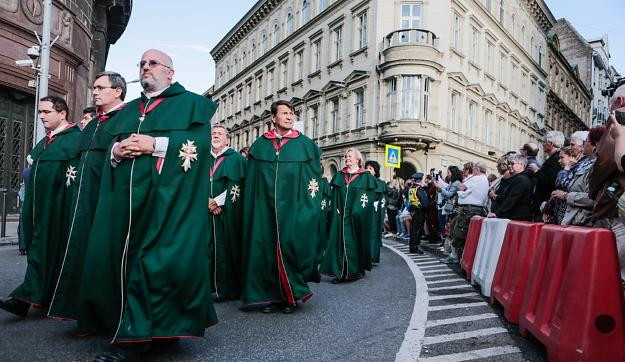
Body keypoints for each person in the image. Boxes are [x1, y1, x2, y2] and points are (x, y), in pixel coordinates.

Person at [76, 49, 219, 360]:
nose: (145, 68)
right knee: (129, 262)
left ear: (170, 72)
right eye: (141, 63)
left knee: (153, 264)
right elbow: (106, 152)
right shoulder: (129, 110)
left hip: (168, 203)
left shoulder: (191, 104)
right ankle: (151, 329)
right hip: (127, 205)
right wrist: (116, 150)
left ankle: (136, 341)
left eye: (153, 63)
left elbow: (198, 147)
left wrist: (156, 145)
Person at [48, 71, 127, 320]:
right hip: (83, 198)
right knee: (80, 252)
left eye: (100, 87)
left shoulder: (127, 118)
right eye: (93, 87)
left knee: (102, 256)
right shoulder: (93, 123)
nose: (94, 91)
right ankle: (81, 312)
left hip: (108, 198)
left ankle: (104, 316)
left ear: (117, 91)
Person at [0, 96, 81, 317]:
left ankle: (24, 299)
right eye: (40, 112)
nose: (42, 116)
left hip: (56, 209)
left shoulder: (74, 140)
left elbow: (71, 180)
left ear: (62, 113)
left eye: (46, 112)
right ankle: (38, 296)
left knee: (45, 253)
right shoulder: (47, 141)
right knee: (40, 252)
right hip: (38, 208)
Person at [241, 100, 322, 314]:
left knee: (289, 247)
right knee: (266, 250)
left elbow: (312, 182)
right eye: (284, 113)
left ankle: (291, 295)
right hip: (265, 209)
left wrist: (308, 207)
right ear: (273, 118)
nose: (289, 117)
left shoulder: (304, 145)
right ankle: (273, 297)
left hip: (293, 208)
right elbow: (252, 182)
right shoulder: (260, 145)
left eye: (292, 114)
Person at [320, 148, 378, 281]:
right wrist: (336, 210)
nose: (347, 158)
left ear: (358, 159)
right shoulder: (340, 175)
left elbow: (367, 197)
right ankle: (340, 273)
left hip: (356, 218)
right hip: (340, 217)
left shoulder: (365, 176)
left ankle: (355, 271)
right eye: (346, 156)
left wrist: (357, 212)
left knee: (355, 243)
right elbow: (334, 196)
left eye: (350, 156)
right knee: (338, 243)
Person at [208, 125, 246, 301]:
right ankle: (207, 286)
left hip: (227, 211)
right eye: (213, 133)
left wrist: (217, 201)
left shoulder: (236, 158)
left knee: (227, 248)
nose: (216, 136)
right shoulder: (203, 157)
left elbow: (236, 185)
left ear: (227, 139)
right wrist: (206, 201)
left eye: (219, 134)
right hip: (205, 210)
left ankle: (227, 288)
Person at [443, 162, 489, 263]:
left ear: (477, 169)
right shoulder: (484, 179)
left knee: (459, 231)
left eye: (474, 169)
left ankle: (455, 256)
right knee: (455, 226)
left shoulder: (477, 178)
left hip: (469, 209)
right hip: (470, 208)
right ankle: (457, 255)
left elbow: (461, 186)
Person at [560, 127, 605, 226]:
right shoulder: (586, 163)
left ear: (595, 145)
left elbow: (594, 198)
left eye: (587, 141)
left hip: (584, 222)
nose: (584, 144)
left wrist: (566, 196)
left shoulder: (598, 167)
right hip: (576, 220)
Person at [488, 154, 534, 221]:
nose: (509, 166)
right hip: (515, 217)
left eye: (512, 163)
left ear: (521, 164)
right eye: (509, 163)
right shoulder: (517, 178)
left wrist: (497, 213)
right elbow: (506, 197)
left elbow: (511, 199)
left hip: (518, 218)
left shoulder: (521, 179)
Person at [530, 131, 565, 220]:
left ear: (551, 143)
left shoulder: (556, 159)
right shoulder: (553, 158)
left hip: (546, 205)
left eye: (544, 142)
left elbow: (550, 181)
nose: (543, 144)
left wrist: (536, 171)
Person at [364, 160, 387, 263]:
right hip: (364, 211)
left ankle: (371, 256)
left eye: (370, 168)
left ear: (375, 171)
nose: (368, 170)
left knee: (372, 233)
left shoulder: (380, 183)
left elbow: (382, 199)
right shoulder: (362, 182)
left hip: (374, 212)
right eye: (366, 168)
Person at [407, 172, 429, 254]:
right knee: (418, 230)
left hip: (413, 210)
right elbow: (425, 202)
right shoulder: (419, 189)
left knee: (414, 229)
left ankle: (412, 246)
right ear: (420, 180)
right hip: (420, 211)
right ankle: (415, 247)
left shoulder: (411, 188)